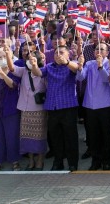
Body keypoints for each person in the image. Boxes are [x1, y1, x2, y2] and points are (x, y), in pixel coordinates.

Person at [31, 43, 82, 171]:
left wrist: (66, 62)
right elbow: (37, 73)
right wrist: (34, 65)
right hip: (52, 107)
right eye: (55, 53)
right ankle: (58, 162)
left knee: (70, 136)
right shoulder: (49, 67)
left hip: (68, 106)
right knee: (55, 137)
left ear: (68, 54)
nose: (58, 55)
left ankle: (72, 163)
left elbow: (76, 69)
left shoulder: (71, 65)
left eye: (61, 52)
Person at [7, 40, 48, 171]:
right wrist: (8, 55)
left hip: (39, 110)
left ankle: (40, 160)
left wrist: (35, 65)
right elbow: (12, 69)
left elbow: (45, 84)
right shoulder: (23, 71)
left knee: (39, 136)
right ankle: (31, 161)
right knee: (26, 137)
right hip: (25, 109)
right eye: (29, 59)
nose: (31, 61)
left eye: (34, 59)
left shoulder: (43, 72)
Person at [76, 42, 110, 171]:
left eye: (102, 49)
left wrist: (100, 67)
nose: (99, 51)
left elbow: (107, 79)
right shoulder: (89, 63)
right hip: (90, 105)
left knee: (106, 134)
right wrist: (80, 66)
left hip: (105, 105)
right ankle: (95, 160)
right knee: (93, 135)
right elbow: (80, 77)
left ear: (107, 52)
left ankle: (106, 160)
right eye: (97, 49)